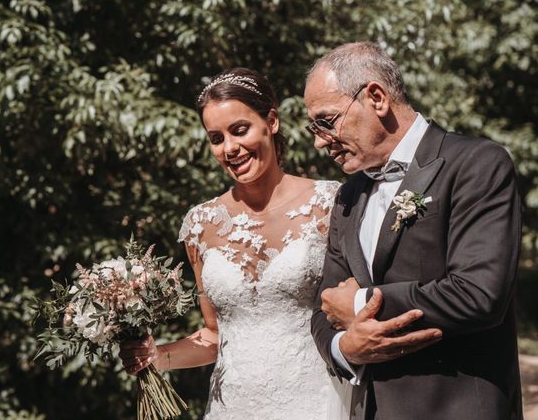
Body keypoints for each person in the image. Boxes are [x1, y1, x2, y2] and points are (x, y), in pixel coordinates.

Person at [120, 67, 355, 419]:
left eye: (239, 130)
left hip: (315, 401)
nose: (230, 148)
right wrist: (156, 355)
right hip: (232, 407)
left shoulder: (330, 203)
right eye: (216, 138)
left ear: (271, 121)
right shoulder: (201, 224)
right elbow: (216, 336)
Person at [306, 42, 523, 419]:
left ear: (376, 97)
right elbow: (325, 308)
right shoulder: (348, 195)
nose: (319, 140)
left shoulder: (477, 164)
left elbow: (479, 294)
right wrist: (346, 349)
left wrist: (362, 305)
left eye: (327, 121)